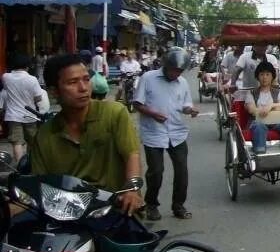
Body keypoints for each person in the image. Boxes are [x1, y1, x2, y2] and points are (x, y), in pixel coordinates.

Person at [30, 54, 143, 215]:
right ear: (54, 91)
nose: (83, 88)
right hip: (68, 215)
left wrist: (131, 190)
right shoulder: (45, 134)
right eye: (72, 82)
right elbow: (40, 183)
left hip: (116, 209)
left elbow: (131, 154)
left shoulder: (114, 113)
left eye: (86, 79)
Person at [133, 47, 199, 221]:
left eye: (179, 71)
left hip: (177, 132)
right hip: (154, 133)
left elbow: (185, 105)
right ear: (166, 65)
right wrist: (153, 114)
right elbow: (137, 104)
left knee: (182, 171)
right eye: (173, 70)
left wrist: (190, 110)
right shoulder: (148, 78)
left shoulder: (183, 83)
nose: (176, 74)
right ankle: (151, 204)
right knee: (156, 171)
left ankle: (178, 205)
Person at [0, 52, 44, 162]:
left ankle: (20, 167)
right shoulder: (32, 79)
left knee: (17, 142)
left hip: (13, 116)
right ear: (27, 66)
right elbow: (38, 98)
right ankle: (32, 163)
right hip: (30, 115)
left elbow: (6, 90)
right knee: (33, 141)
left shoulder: (6, 77)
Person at [245, 61, 280, 154]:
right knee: (259, 126)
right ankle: (260, 154)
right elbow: (252, 109)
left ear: (272, 77)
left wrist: (270, 106)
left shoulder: (279, 92)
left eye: (268, 74)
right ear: (257, 77)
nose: (264, 77)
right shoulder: (251, 93)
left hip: (276, 122)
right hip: (258, 122)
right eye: (262, 74)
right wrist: (267, 110)